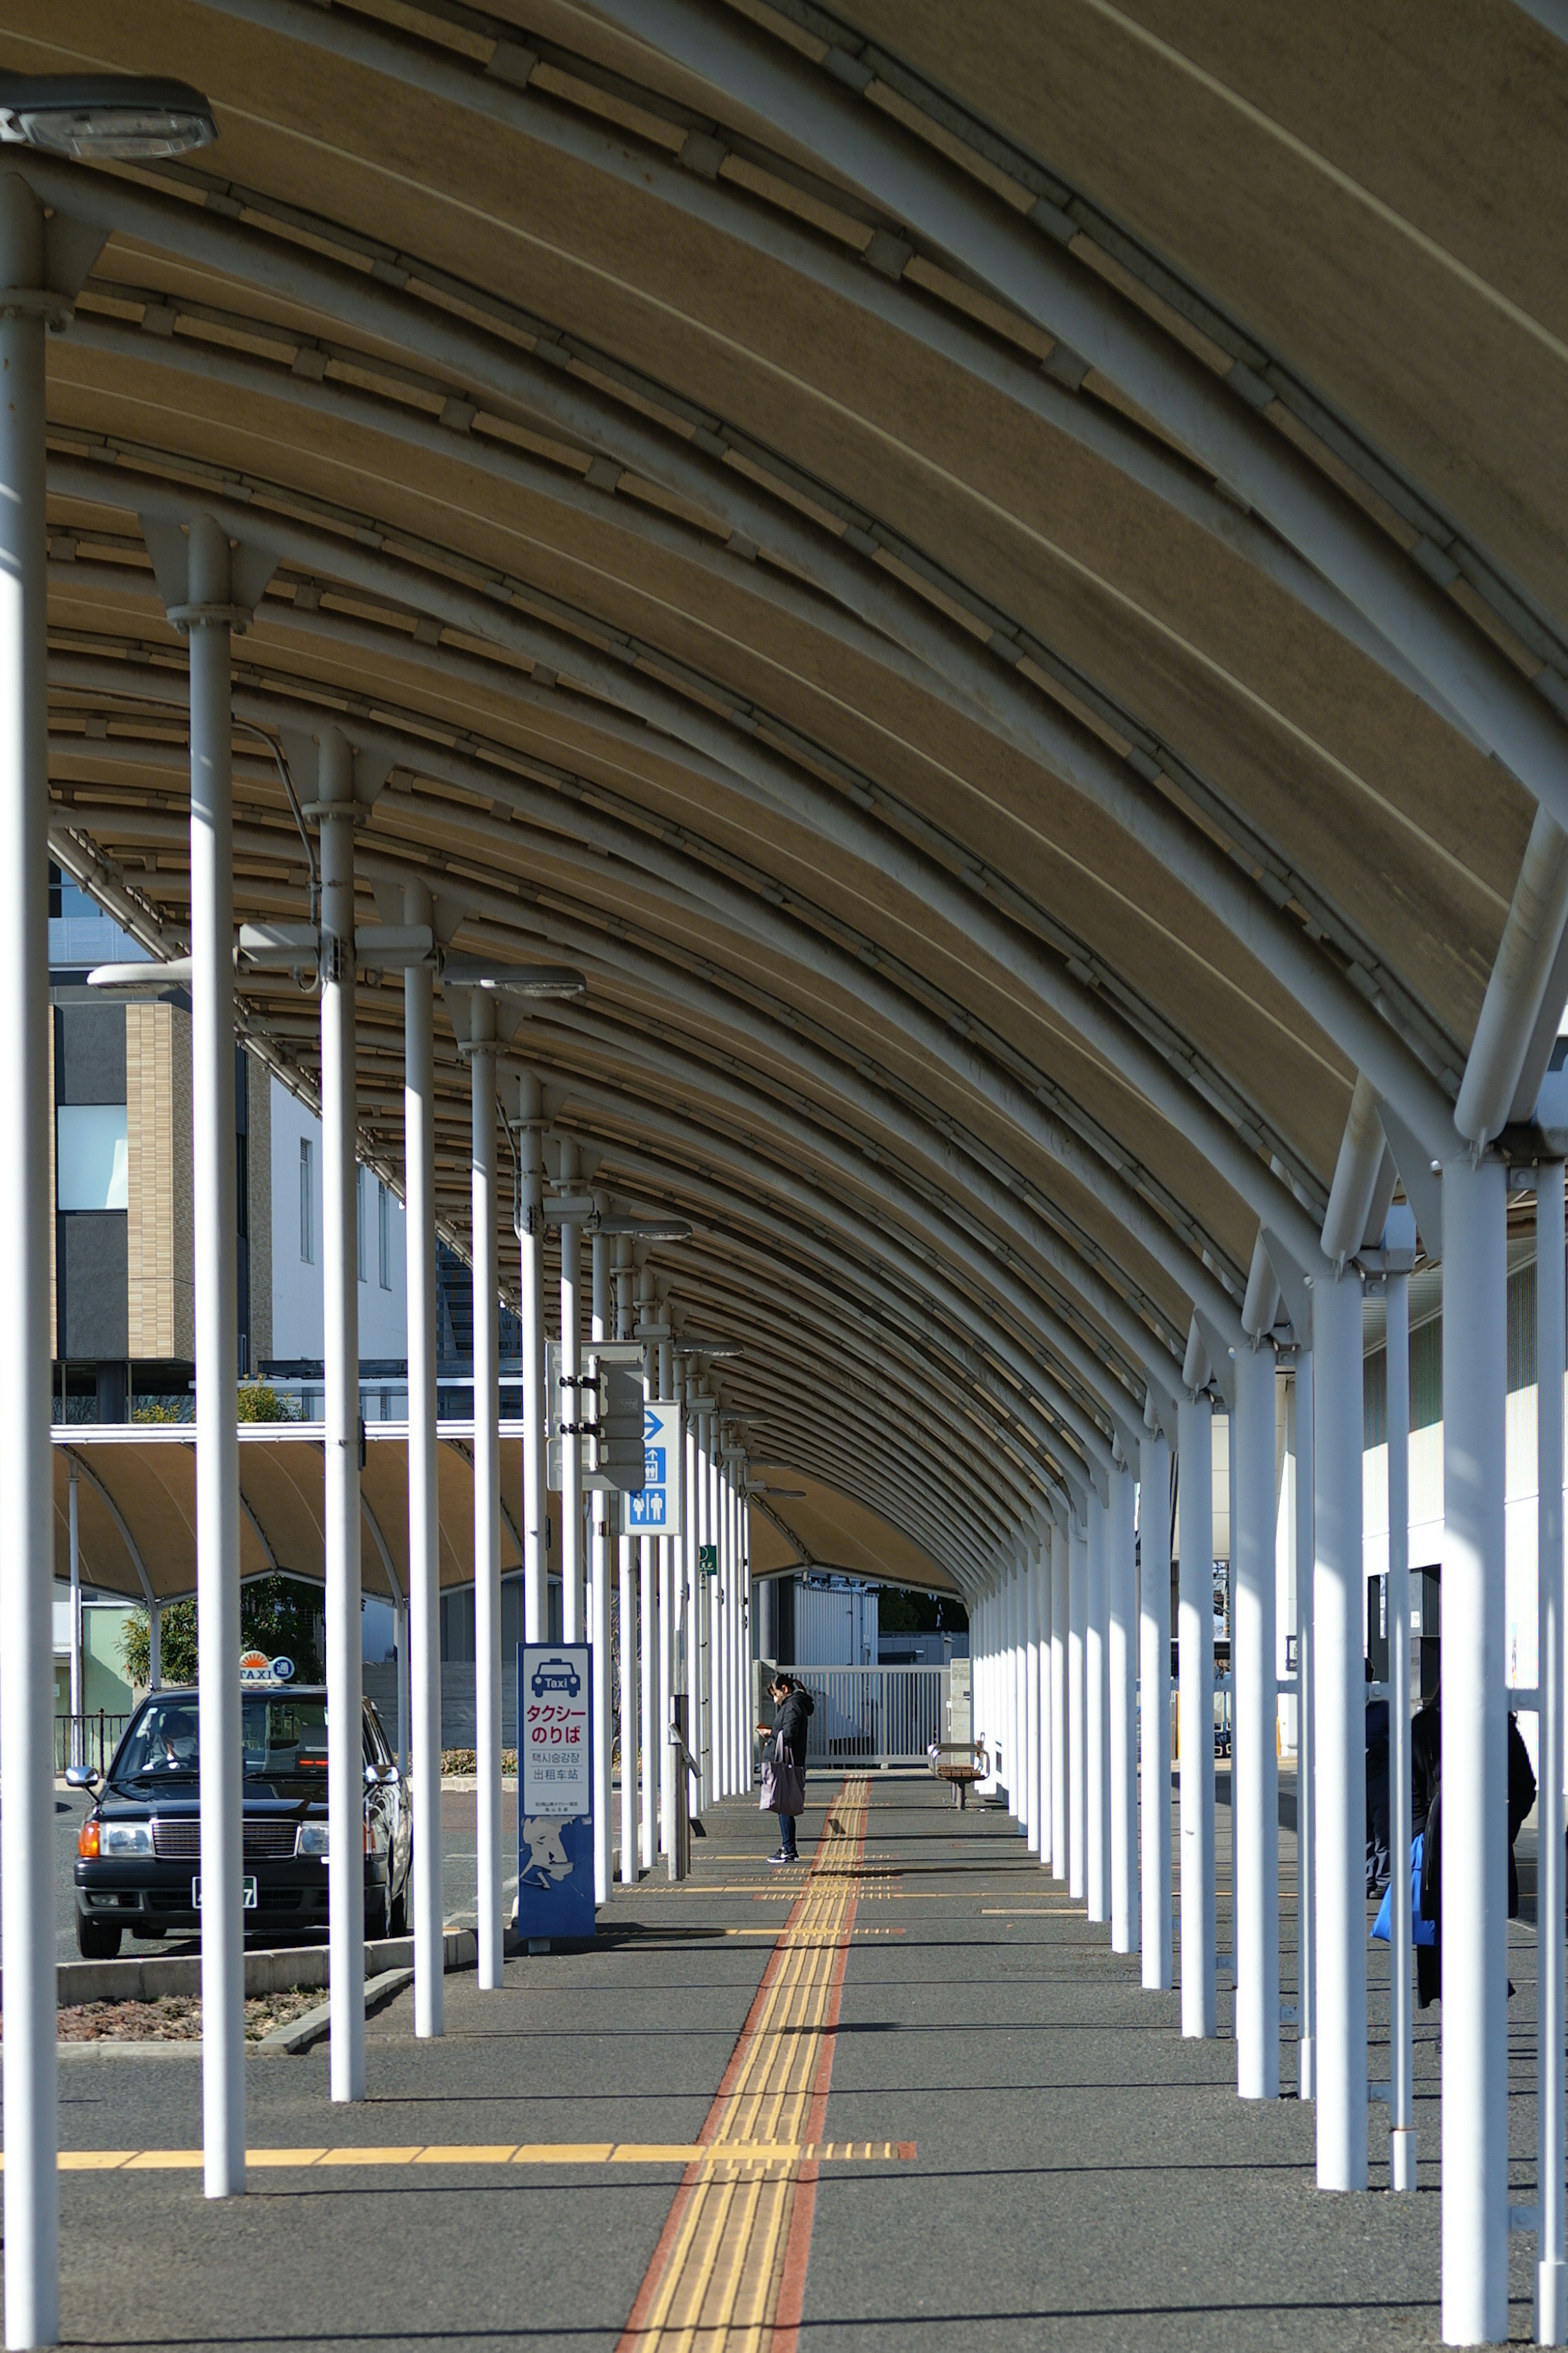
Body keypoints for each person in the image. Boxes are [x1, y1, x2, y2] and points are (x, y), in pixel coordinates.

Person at [757, 1674, 813, 1864]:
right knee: (784, 1805)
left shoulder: (793, 1705)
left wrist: (770, 1733)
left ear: (785, 1690)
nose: (775, 1699)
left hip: (786, 1762)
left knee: (784, 1805)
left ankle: (789, 1850)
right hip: (791, 1761)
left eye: (776, 1694)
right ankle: (788, 1848)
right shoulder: (795, 1704)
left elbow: (789, 1733)